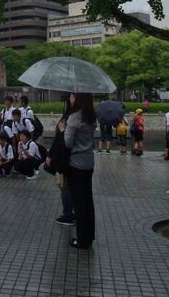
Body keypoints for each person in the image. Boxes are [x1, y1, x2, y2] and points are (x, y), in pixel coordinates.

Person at [61, 92, 97, 249]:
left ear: (78, 98)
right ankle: (89, 236)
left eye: (73, 95)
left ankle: (82, 240)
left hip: (76, 163)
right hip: (88, 161)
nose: (70, 98)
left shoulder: (75, 117)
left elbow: (68, 143)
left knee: (79, 203)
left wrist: (63, 129)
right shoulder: (91, 116)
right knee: (88, 201)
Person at [46, 99, 74, 226]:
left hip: (64, 157)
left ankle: (68, 214)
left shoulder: (70, 118)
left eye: (73, 95)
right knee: (68, 186)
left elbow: (61, 139)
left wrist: (51, 155)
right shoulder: (73, 116)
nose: (71, 97)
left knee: (65, 186)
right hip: (70, 157)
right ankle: (71, 212)